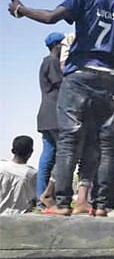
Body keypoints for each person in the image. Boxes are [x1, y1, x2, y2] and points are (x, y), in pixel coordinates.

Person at [9, 0, 114, 216]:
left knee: (69, 140)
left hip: (79, 74)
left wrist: (21, 9)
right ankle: (100, 205)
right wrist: (112, 70)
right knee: (100, 143)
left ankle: (61, 203)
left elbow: (50, 18)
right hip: (107, 78)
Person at [36, 32, 64, 208]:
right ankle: (52, 195)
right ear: (57, 46)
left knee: (47, 157)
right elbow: (62, 84)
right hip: (55, 116)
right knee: (64, 155)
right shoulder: (52, 61)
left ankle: (41, 198)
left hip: (46, 116)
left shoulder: (45, 62)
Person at [0, 136, 37, 215]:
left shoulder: (1, 166)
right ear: (31, 152)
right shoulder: (32, 174)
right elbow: (35, 199)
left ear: (12, 151)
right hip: (19, 220)